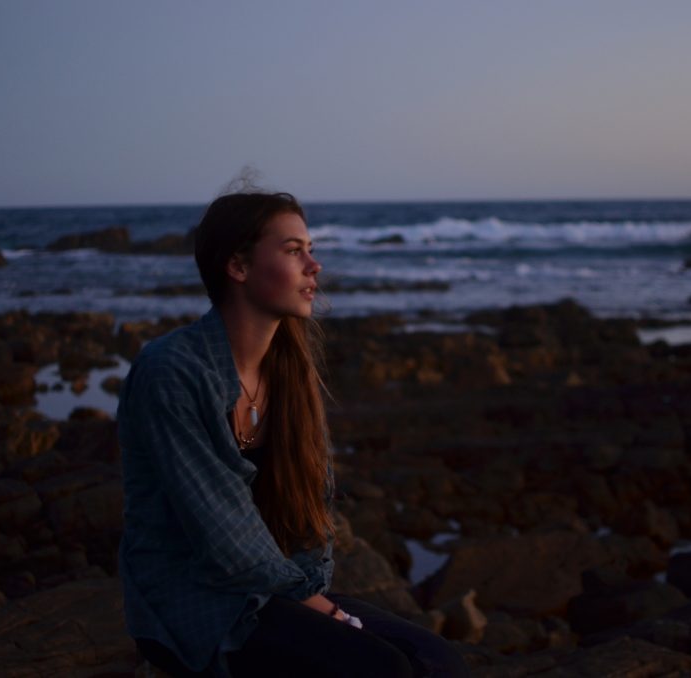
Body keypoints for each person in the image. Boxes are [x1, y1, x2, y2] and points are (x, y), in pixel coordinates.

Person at [117, 188, 470, 677]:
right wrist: (324, 611)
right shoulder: (172, 372)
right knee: (382, 669)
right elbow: (222, 530)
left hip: (274, 591)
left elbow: (309, 509)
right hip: (195, 601)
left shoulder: (289, 372)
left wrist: (314, 594)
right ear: (238, 266)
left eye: (311, 249)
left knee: (440, 662)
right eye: (293, 250)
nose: (314, 266)